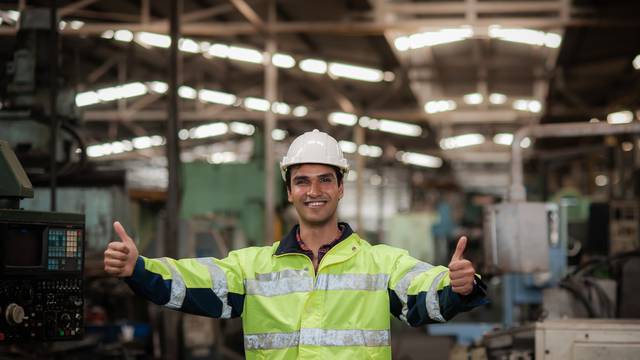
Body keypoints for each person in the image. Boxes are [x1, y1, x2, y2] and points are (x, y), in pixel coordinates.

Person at [104, 129, 487, 359]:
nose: (314, 191)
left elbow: (424, 298)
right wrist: (139, 269)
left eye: (325, 180)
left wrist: (457, 286)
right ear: (289, 191)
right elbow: (190, 282)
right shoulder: (253, 267)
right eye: (303, 181)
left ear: (340, 188)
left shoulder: (382, 263)